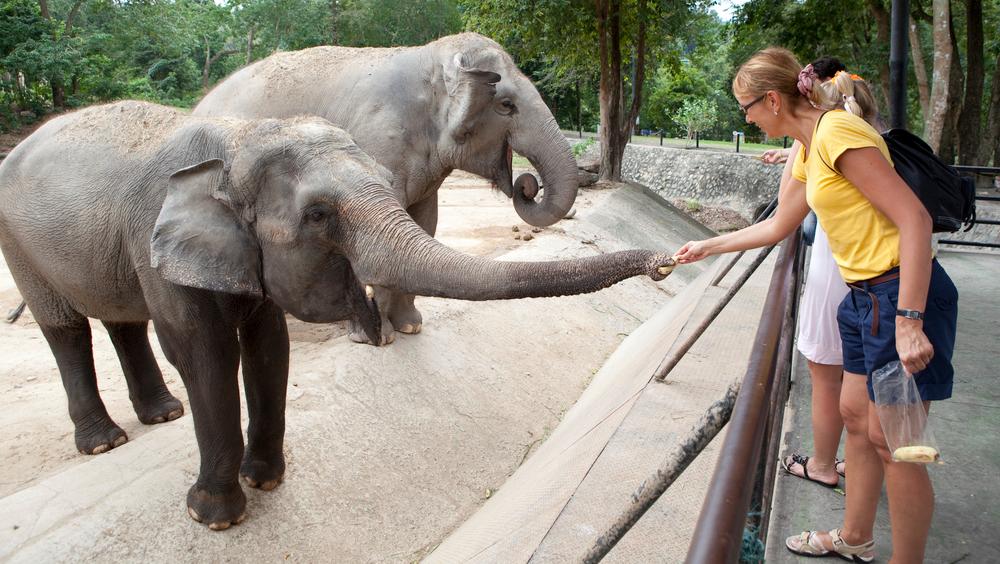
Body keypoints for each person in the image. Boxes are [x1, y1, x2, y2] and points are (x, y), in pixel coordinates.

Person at [675, 48, 958, 562]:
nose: (746, 119)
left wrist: (910, 320)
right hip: (863, 297)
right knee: (855, 417)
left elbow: (914, 219)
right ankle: (855, 537)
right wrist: (708, 246)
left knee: (895, 444)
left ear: (774, 100)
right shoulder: (809, 145)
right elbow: (780, 224)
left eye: (747, 108)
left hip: (900, 294)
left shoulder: (838, 134)